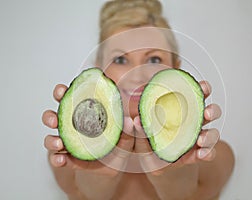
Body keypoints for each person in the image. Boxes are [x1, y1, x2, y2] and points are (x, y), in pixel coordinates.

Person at [42, 0, 235, 199]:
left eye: (153, 60)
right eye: (120, 60)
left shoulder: (216, 156)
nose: (137, 75)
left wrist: (172, 172)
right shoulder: (64, 156)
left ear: (176, 68)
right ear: (99, 69)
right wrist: (98, 172)